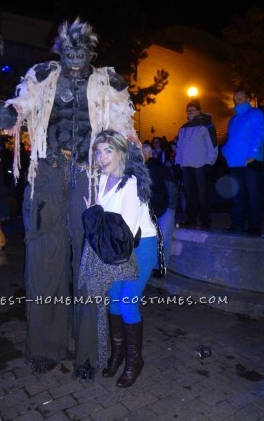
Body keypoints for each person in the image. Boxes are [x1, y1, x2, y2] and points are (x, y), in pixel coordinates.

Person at [0, 18, 137, 374]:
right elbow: (20, 105)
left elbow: (124, 129)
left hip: (91, 178)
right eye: (68, 50)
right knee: (44, 260)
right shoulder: (42, 75)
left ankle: (89, 354)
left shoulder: (109, 83)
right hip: (48, 174)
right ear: (59, 49)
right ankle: (45, 347)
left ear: (91, 53)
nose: (73, 57)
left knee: (89, 263)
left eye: (80, 51)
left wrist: (131, 177)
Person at [74, 130, 165, 388]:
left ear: (121, 152)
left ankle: (135, 361)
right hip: (114, 248)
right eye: (98, 151)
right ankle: (118, 354)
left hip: (139, 246)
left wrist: (93, 215)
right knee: (113, 302)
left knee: (127, 303)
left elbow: (124, 226)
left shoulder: (132, 181)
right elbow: (104, 221)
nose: (102, 157)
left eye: (108, 151)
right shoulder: (102, 179)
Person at [221, 87, 264, 235]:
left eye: (240, 99)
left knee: (254, 195)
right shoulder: (234, 119)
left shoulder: (256, 113)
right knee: (237, 195)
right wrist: (226, 152)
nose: (237, 102)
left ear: (248, 99)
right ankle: (238, 224)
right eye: (235, 100)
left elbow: (259, 134)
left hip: (250, 161)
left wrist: (253, 154)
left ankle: (254, 227)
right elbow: (231, 139)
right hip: (235, 162)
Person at [175, 99, 218, 230]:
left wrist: (209, 162)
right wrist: (178, 161)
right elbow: (179, 146)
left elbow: (213, 145)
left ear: (199, 111)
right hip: (186, 165)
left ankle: (205, 220)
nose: (191, 113)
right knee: (190, 194)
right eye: (189, 111)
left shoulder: (207, 125)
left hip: (201, 165)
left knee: (203, 194)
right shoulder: (183, 128)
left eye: (194, 110)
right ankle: (191, 219)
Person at [143, 141, 178, 263]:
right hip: (151, 210)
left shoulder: (159, 167)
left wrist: (171, 207)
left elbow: (171, 186)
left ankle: (161, 268)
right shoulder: (139, 169)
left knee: (163, 239)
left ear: (148, 153)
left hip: (165, 208)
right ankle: (152, 265)